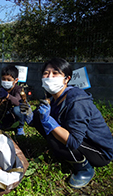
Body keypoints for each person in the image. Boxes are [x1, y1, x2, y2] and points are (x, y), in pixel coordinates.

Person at [21, 58, 113, 189]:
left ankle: (84, 169)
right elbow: (38, 121)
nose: (49, 77)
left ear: (67, 78)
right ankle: (67, 155)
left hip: (99, 151)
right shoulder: (53, 98)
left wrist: (48, 121)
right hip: (81, 140)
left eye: (55, 73)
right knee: (44, 122)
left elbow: (74, 141)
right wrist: (29, 114)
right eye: (46, 73)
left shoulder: (77, 101)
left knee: (54, 137)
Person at [0, 65, 25, 135]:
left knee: (17, 109)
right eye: (3, 79)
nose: (6, 81)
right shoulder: (1, 88)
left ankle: (20, 126)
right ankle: (5, 123)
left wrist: (7, 96)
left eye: (9, 80)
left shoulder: (18, 89)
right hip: (8, 112)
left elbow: (18, 102)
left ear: (16, 80)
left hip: (19, 111)